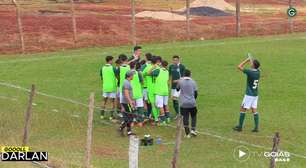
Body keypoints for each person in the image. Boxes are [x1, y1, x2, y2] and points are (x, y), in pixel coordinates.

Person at [233, 57, 261, 132]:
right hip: (255, 94)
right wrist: (252, 62)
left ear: (253, 66)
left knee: (243, 109)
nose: (250, 64)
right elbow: (256, 67)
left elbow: (239, 66)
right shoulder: (258, 72)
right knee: (254, 109)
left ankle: (240, 127)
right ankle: (256, 127)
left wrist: (247, 60)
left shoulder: (250, 72)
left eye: (252, 63)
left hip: (249, 95)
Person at [177, 69, 198, 138]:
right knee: (193, 116)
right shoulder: (193, 82)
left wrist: (179, 81)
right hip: (192, 102)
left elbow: (177, 89)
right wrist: (193, 99)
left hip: (183, 103)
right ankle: (193, 129)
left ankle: (187, 133)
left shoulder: (181, 81)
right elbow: (196, 93)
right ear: (190, 74)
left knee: (185, 117)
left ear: (183, 74)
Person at [151, 60, 170, 125]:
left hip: (159, 91)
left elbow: (149, 73)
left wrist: (154, 67)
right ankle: (168, 118)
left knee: (160, 106)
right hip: (166, 90)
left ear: (161, 64)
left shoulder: (158, 70)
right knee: (166, 104)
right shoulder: (167, 71)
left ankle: (163, 121)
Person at [119, 71, 136, 136]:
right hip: (127, 102)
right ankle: (122, 128)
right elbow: (126, 94)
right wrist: (130, 102)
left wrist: (132, 100)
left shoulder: (127, 82)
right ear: (130, 76)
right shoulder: (126, 83)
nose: (133, 76)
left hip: (127, 102)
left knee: (129, 117)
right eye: (132, 75)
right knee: (129, 117)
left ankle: (127, 131)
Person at [100, 56, 117, 120]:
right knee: (112, 102)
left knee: (104, 100)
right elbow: (117, 76)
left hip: (105, 87)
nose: (112, 61)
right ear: (110, 60)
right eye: (112, 60)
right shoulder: (113, 68)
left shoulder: (102, 68)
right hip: (112, 87)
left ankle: (102, 115)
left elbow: (101, 77)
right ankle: (111, 116)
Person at [130, 62, 145, 126]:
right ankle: (140, 122)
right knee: (140, 107)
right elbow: (142, 82)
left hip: (131, 94)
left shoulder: (127, 73)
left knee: (132, 108)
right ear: (135, 66)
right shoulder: (139, 73)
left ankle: (132, 122)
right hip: (138, 93)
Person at [141, 53, 153, 119]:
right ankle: (151, 114)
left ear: (146, 58)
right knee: (150, 101)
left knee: (145, 101)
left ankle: (147, 115)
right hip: (152, 86)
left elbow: (141, 75)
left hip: (145, 86)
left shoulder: (144, 66)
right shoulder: (153, 65)